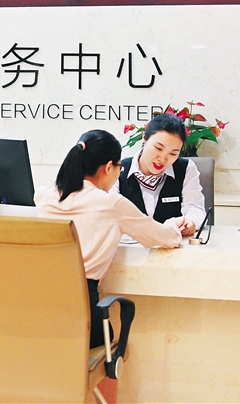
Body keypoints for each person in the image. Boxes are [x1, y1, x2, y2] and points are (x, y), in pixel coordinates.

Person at [34, 129, 184, 348]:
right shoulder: (112, 203)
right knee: (106, 354)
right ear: (108, 167)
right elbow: (164, 238)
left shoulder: (43, 196)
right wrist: (173, 224)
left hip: (38, 313)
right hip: (84, 315)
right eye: (119, 167)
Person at [114, 113, 206, 236]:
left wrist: (191, 222)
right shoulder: (118, 169)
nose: (162, 159)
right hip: (128, 244)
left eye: (173, 154)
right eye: (158, 148)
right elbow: (108, 213)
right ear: (144, 137)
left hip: (173, 245)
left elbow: (195, 208)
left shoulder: (186, 169)